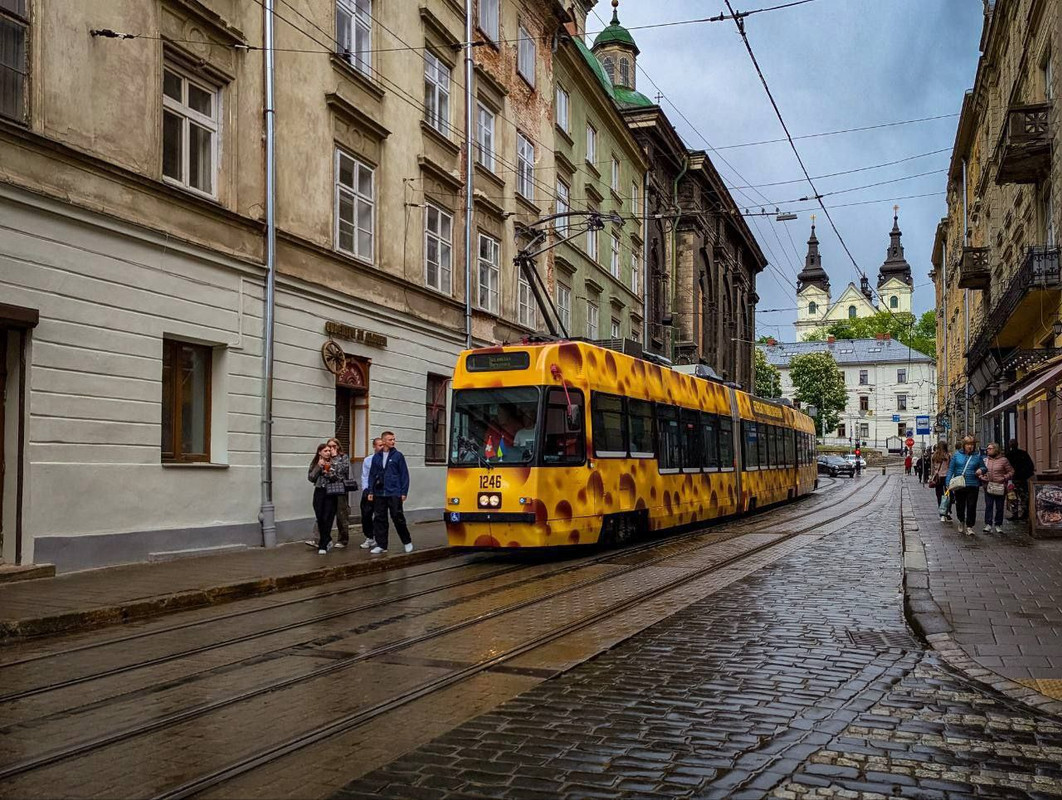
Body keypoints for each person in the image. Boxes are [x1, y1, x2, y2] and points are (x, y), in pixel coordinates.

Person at [366, 431, 413, 554]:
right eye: (390, 439)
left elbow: (404, 474)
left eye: (393, 439)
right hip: (380, 492)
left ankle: (407, 541)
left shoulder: (398, 456)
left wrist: (404, 492)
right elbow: (372, 475)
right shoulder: (377, 457)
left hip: (394, 492)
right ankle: (382, 545)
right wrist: (371, 490)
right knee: (379, 518)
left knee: (397, 517)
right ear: (383, 441)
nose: (393, 441)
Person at [307, 442, 347, 554]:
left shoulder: (335, 462)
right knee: (320, 517)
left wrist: (329, 472)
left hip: (331, 492)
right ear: (319, 452)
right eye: (325, 451)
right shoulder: (316, 462)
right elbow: (311, 478)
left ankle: (323, 545)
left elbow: (339, 477)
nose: (328, 453)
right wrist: (318, 467)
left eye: (329, 450)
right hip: (319, 491)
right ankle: (327, 539)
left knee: (327, 518)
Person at [945, 435, 987, 536]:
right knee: (960, 505)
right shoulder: (957, 455)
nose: (970, 446)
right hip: (960, 485)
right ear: (964, 445)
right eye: (968, 444)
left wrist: (981, 470)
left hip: (973, 484)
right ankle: (961, 520)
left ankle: (969, 526)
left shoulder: (977, 456)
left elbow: (984, 467)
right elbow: (951, 469)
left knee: (972, 505)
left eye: (972, 444)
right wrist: (948, 482)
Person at [979, 442, 1015, 535]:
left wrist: (1004, 478)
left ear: (996, 450)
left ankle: (998, 524)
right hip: (988, 486)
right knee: (989, 506)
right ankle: (988, 524)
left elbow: (1011, 471)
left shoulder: (1003, 460)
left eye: (990, 449)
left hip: (1000, 487)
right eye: (987, 449)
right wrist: (982, 477)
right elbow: (980, 471)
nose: (987, 450)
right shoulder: (985, 460)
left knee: (999, 506)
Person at [358, 438, 384, 549]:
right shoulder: (368, 460)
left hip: (381, 491)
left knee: (379, 516)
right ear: (374, 446)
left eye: (383, 445)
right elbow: (365, 475)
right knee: (366, 514)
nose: (382, 447)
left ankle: (380, 539)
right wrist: (365, 489)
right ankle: (369, 537)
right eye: (379, 445)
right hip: (369, 490)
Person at [1006, 439, 1035, 521]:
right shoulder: (1023, 453)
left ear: (1010, 445)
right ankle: (1024, 514)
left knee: (1013, 497)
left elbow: (1005, 467)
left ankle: (1015, 514)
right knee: (1023, 497)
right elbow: (1030, 466)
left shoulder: (1008, 455)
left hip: (1013, 479)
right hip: (1022, 479)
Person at [931, 441, 952, 521]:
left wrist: (932, 476)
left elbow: (932, 468)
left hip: (938, 477)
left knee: (939, 495)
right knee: (948, 495)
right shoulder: (948, 455)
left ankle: (942, 514)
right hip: (947, 477)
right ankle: (948, 512)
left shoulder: (934, 456)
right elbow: (950, 467)